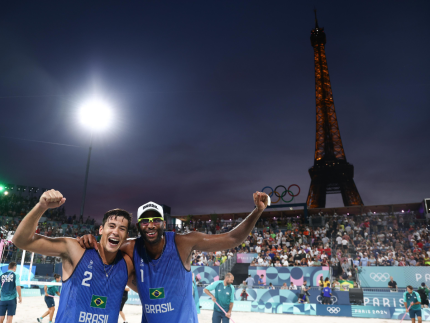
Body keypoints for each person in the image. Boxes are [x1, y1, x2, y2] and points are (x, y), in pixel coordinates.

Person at [78, 191, 269, 323]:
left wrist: (258, 210)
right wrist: (89, 241)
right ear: (139, 225)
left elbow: (233, 238)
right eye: (145, 221)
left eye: (155, 220)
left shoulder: (183, 243)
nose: (151, 225)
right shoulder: (130, 247)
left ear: (164, 223)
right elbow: (105, 251)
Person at [12, 189, 135, 323]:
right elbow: (21, 241)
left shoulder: (127, 264)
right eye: (111, 226)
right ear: (101, 229)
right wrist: (41, 207)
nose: (116, 232)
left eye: (122, 229)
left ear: (126, 236)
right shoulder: (77, 250)